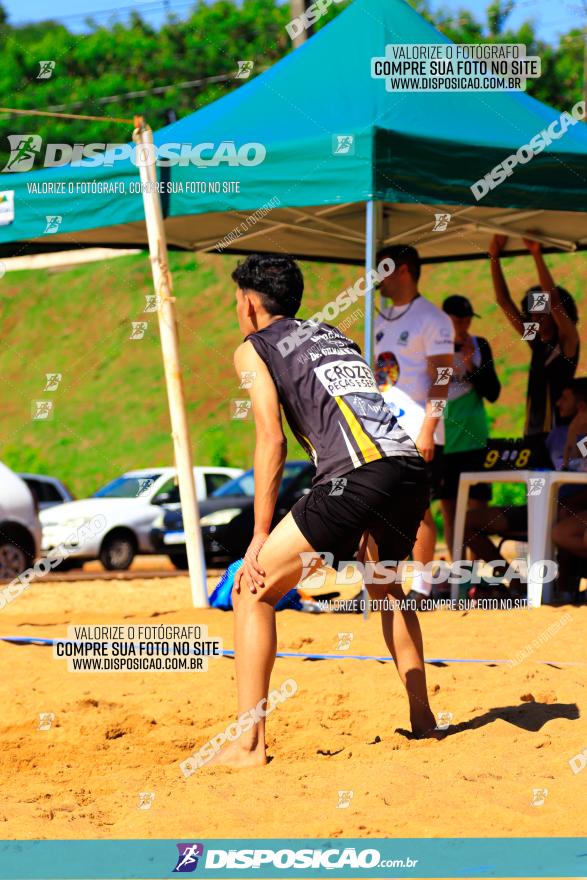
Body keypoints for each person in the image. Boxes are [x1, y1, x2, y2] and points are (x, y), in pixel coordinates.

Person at [209, 254, 439, 768]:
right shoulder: (335, 335)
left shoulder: (254, 348)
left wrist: (259, 537)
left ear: (249, 304)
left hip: (356, 474)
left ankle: (248, 744)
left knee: (253, 588)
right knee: (385, 588)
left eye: (235, 300)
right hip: (404, 468)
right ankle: (424, 720)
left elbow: (272, 441)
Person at [374, 244, 454, 607]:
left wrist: (428, 428)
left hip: (417, 430)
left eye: (383, 269)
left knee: (418, 510)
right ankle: (380, 586)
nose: (377, 278)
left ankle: (422, 588)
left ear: (403, 270)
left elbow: (442, 379)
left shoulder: (433, 319)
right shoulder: (378, 319)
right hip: (379, 430)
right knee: (376, 507)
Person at [465, 378, 587, 592]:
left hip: (570, 509)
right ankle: (514, 579)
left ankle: (564, 588)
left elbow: (577, 475)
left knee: (566, 518)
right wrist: (571, 435)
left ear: (582, 406)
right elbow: (566, 468)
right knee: (467, 522)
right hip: (540, 507)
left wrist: (577, 433)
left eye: (564, 398)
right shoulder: (554, 434)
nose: (557, 403)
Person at [488, 235, 579, 437]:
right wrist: (494, 256)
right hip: (533, 433)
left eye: (541, 313)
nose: (535, 318)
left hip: (560, 434)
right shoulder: (536, 339)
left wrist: (536, 254)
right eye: (532, 314)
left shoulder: (567, 341)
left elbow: (553, 300)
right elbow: (503, 301)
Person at [439, 295, 501, 558]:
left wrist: (472, 367)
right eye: (458, 320)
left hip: (474, 438)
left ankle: (478, 579)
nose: (464, 325)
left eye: (468, 319)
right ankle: (458, 577)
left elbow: (494, 392)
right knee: (450, 511)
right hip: (443, 438)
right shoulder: (433, 346)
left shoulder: (479, 345)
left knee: (476, 513)